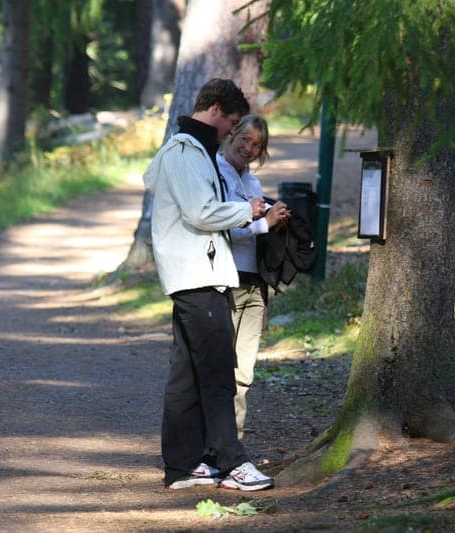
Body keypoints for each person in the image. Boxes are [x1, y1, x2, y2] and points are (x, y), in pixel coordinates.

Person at [143, 78, 275, 492]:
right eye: (232, 122)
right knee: (218, 373)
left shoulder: (193, 150)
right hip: (197, 276)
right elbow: (201, 213)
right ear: (215, 109)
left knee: (186, 376)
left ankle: (183, 466)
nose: (232, 131)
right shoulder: (185, 151)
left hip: (195, 274)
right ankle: (232, 462)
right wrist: (246, 210)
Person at [217, 114, 290, 440]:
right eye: (244, 139)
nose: (248, 148)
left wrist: (275, 222)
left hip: (254, 283)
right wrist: (264, 223)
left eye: (257, 145)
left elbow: (258, 240)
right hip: (225, 280)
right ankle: (212, 441)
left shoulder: (254, 183)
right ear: (231, 136)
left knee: (244, 370)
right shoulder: (215, 174)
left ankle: (234, 440)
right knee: (220, 365)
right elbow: (225, 230)